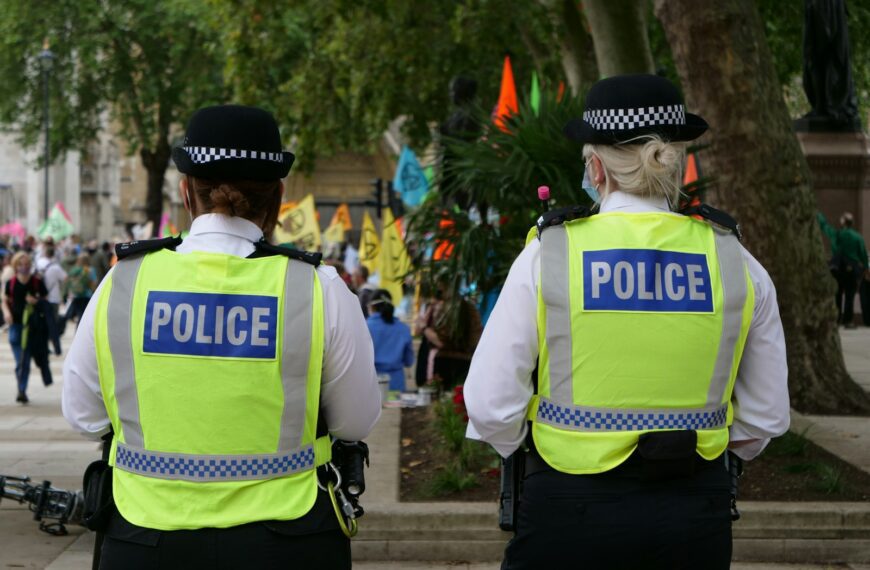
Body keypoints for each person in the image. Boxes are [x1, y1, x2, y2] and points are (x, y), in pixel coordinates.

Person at [463, 74, 790, 569]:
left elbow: (489, 406)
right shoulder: (735, 260)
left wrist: (542, 453)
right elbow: (766, 416)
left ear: (595, 167)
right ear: (674, 160)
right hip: (692, 516)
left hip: (568, 510)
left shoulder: (549, 253)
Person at [62, 105, 381, 570]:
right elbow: (355, 421)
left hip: (145, 536)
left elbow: (83, 415)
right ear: (278, 195)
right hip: (286, 539)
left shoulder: (125, 282)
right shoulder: (317, 287)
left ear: (186, 189)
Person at [3, 251, 53, 403]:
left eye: (26, 264)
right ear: (15, 265)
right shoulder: (10, 283)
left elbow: (46, 301)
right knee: (21, 361)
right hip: (16, 326)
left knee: (24, 361)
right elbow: (5, 300)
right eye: (20, 264)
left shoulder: (36, 282)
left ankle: (21, 390)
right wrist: (6, 313)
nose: (24, 267)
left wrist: (36, 301)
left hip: (33, 328)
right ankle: (21, 388)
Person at [366, 289, 414, 392]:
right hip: (397, 384)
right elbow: (409, 361)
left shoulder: (363, 327)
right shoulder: (403, 328)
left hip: (370, 384)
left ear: (372, 306)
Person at [834, 212, 868, 328]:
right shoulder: (857, 237)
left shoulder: (839, 234)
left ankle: (837, 319)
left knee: (838, 294)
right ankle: (848, 320)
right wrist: (866, 268)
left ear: (843, 222)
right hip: (853, 268)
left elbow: (835, 249)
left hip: (839, 268)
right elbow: (862, 253)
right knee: (850, 295)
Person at [37, 245, 67, 355]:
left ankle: (44, 347)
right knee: (53, 325)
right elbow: (65, 278)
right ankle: (57, 349)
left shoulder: (39, 263)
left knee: (42, 325)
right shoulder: (55, 267)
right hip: (53, 298)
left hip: (40, 299)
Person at [63, 253, 97, 328]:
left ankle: (77, 333)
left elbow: (67, 280)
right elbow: (94, 283)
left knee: (79, 314)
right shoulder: (90, 270)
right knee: (85, 316)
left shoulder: (75, 270)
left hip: (76, 295)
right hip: (87, 295)